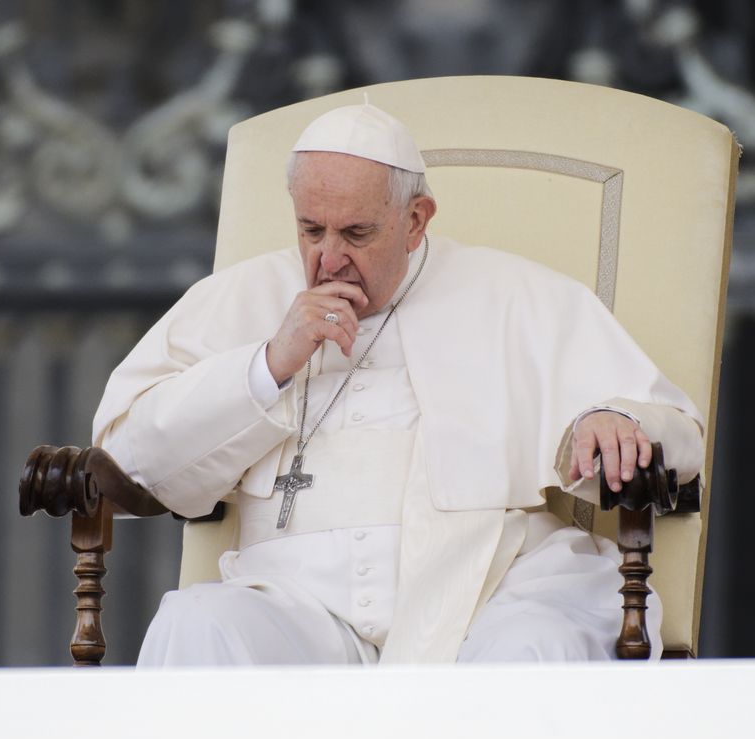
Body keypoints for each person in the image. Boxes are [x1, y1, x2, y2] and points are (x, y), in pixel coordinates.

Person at [93, 102, 705, 665]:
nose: (329, 258)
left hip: (484, 597)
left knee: (533, 644)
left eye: (356, 234)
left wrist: (615, 420)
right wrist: (267, 366)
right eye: (311, 230)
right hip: (300, 608)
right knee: (199, 623)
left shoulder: (514, 295)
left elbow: (673, 426)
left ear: (416, 220)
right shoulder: (240, 298)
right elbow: (129, 454)